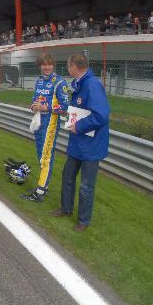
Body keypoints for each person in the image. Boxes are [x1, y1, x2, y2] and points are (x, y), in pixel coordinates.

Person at [53, 54, 110, 232]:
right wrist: (70, 114)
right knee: (67, 175)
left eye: (68, 66)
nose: (67, 69)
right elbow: (81, 108)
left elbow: (101, 115)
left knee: (86, 185)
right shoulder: (80, 83)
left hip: (91, 145)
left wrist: (79, 125)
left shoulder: (92, 85)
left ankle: (84, 220)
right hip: (78, 143)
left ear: (74, 67)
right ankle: (66, 208)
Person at [24, 53, 69, 202]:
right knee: (40, 156)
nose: (47, 67)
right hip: (38, 123)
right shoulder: (39, 81)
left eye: (49, 64)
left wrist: (46, 107)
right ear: (40, 66)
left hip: (50, 125)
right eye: (44, 64)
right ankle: (44, 186)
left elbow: (65, 107)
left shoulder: (60, 82)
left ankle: (40, 192)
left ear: (53, 65)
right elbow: (34, 100)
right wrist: (33, 106)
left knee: (45, 158)